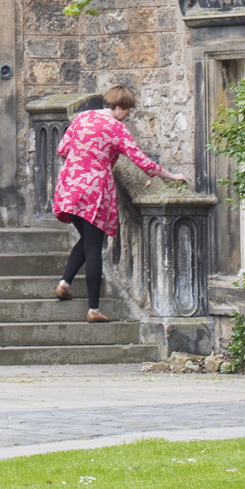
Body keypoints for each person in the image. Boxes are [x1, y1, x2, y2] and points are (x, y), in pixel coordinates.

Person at [51, 82, 170, 324]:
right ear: (118, 107)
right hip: (94, 191)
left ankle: (64, 283)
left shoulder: (83, 118)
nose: (128, 115)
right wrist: (170, 175)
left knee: (86, 240)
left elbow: (62, 149)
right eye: (127, 110)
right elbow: (141, 161)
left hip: (69, 187)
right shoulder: (117, 129)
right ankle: (93, 308)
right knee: (94, 246)